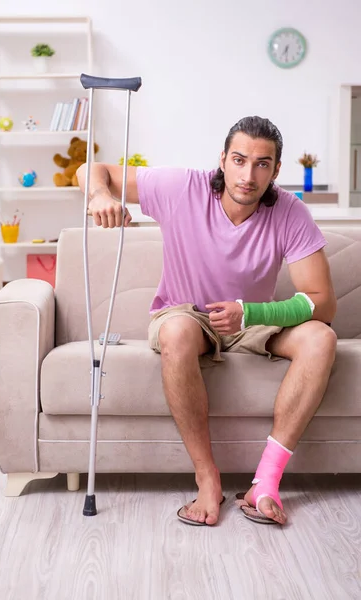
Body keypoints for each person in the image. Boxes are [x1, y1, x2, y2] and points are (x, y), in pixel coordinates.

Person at [77, 116, 337, 527]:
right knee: (177, 332)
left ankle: (265, 483)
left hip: (252, 317)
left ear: (276, 170)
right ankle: (207, 479)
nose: (248, 175)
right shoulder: (182, 187)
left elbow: (322, 304)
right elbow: (93, 170)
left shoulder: (290, 211)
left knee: (320, 338)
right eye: (239, 160)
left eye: (262, 164)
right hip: (185, 311)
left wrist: (250, 312)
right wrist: (98, 196)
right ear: (222, 160)